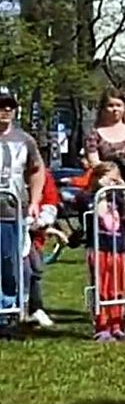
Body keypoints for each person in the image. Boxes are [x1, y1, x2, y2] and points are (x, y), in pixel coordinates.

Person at [0, 86, 44, 325]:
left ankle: (8, 313)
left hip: (12, 211)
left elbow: (37, 170)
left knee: (10, 263)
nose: (5, 110)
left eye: (10, 106)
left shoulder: (25, 140)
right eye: (1, 106)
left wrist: (36, 201)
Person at [85, 162, 125, 342]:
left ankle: (117, 324)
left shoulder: (118, 199)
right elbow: (98, 212)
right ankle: (101, 325)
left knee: (117, 288)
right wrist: (101, 192)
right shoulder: (90, 197)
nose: (113, 182)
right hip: (99, 247)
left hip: (118, 247)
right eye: (110, 178)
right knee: (102, 288)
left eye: (115, 178)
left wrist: (124, 191)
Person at [84, 87, 125, 182]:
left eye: (118, 105)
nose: (115, 109)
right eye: (110, 105)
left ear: (124, 108)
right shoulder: (94, 135)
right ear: (103, 109)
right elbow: (94, 162)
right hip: (107, 186)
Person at [25, 165, 60, 328]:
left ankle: (35, 308)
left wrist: (40, 221)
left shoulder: (41, 173)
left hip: (32, 231)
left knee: (34, 269)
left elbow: (50, 200)